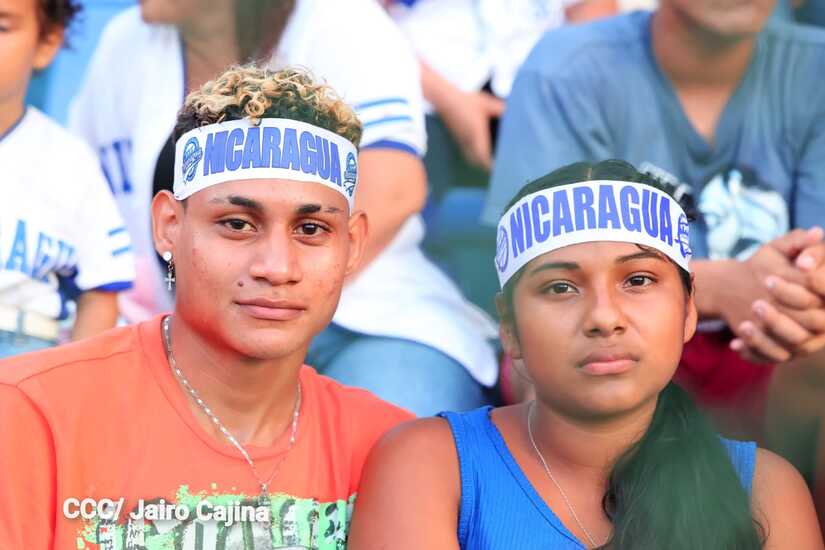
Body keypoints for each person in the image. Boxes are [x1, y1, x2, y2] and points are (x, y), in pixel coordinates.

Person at [0, 65, 413, 549]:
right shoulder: (30, 413)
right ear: (168, 226)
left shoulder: (391, 448)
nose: (277, 267)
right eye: (237, 224)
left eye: (310, 230)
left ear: (352, 245)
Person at [348, 160, 823, 550]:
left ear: (688, 311)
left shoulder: (765, 490)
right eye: (560, 287)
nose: (603, 317)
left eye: (638, 280)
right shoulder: (429, 463)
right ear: (509, 327)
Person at [69, 0, 498, 416]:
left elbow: (394, 189)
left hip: (369, 323)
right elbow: (79, 203)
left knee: (389, 445)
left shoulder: (341, 19)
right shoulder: (125, 41)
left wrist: (272, 302)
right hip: (189, 334)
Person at [484, 0, 825, 437]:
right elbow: (543, 276)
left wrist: (803, 286)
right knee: (554, 353)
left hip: (768, 347)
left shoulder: (815, 67)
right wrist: (721, 285)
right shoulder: (566, 68)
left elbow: (815, 256)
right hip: (619, 327)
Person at [0, 0, 134, 359]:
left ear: (47, 43)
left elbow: (100, 290)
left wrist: (79, 382)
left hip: (23, 350)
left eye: (2, 27)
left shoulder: (69, 162)